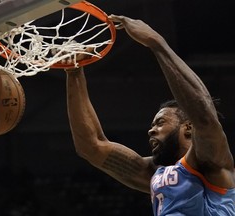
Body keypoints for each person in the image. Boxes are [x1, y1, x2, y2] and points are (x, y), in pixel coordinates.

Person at [64, 14, 235, 215]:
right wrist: (74, 73)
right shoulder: (154, 173)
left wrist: (156, 43)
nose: (151, 130)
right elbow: (91, 146)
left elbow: (204, 116)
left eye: (160, 122)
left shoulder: (211, 160)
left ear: (187, 127)